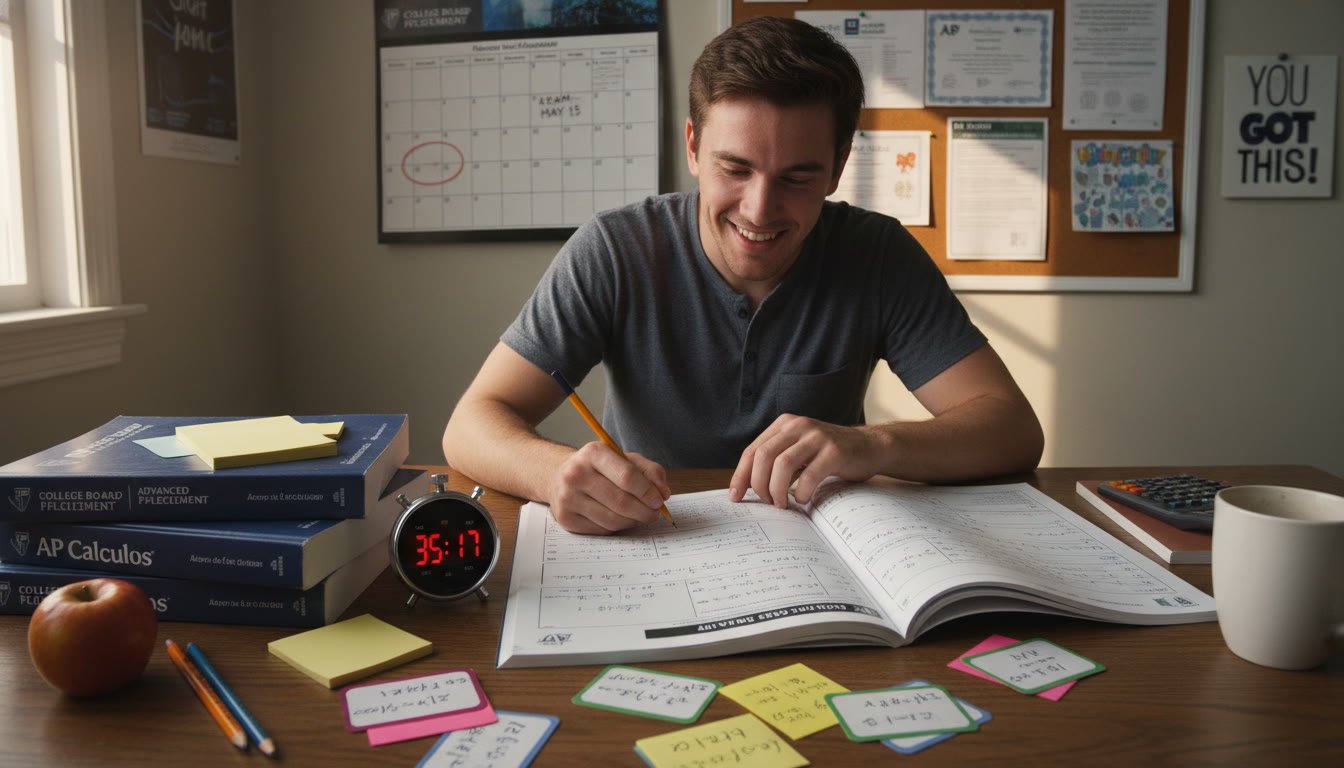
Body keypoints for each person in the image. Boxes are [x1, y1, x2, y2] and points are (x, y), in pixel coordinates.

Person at [443, 16, 1043, 535]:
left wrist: (873, 444)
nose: (759, 210)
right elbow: (471, 425)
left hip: (828, 553)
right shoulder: (615, 250)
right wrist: (554, 474)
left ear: (836, 169)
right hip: (652, 541)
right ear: (693, 148)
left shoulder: (877, 253)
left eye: (797, 178)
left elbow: (1013, 429)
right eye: (735, 168)